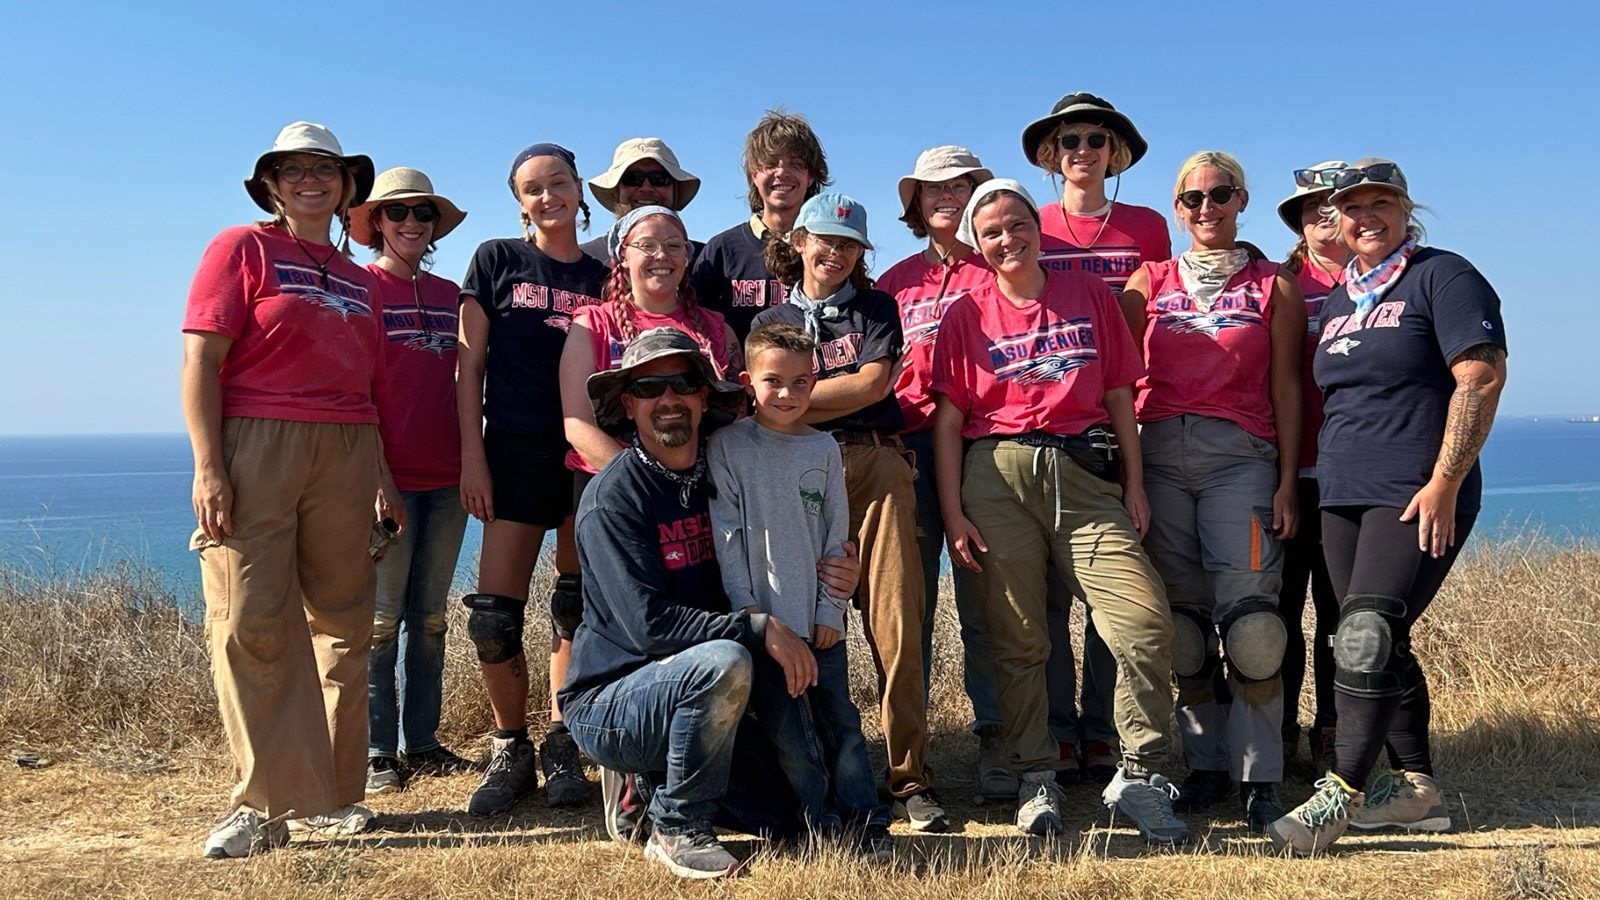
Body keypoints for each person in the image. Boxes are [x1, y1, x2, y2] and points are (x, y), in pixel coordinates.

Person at [931, 179, 1188, 843]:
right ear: (979, 244)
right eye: (991, 232)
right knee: (1019, 638)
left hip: (1083, 474)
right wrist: (954, 510)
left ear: (1035, 226)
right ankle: (1035, 774)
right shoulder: (967, 313)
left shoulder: (1087, 296)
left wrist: (1133, 484)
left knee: (1142, 620)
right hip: (996, 476)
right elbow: (951, 419)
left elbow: (1120, 395)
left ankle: (1140, 772)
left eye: (1016, 224)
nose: (1007, 239)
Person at [560, 328, 861, 879]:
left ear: (705, 396)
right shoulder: (613, 502)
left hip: (714, 685)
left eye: (684, 384)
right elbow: (649, 626)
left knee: (790, 821)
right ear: (628, 405)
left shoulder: (725, 471)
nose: (669, 399)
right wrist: (758, 628)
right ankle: (676, 822)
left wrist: (842, 563)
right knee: (725, 662)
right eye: (651, 387)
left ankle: (660, 786)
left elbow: (794, 532)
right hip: (614, 700)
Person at [1270, 159, 1507, 854]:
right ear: (1336, 219)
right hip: (1340, 492)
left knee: (1366, 636)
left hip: (1415, 489)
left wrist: (1444, 481)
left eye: (1382, 203)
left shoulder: (1442, 274)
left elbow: (1481, 375)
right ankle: (1417, 791)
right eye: (1352, 207)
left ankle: (1337, 795)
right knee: (1370, 638)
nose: (1365, 216)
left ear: (1408, 210)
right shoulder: (1344, 296)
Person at [182, 121, 384, 857]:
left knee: (344, 624)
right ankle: (262, 803)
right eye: (293, 169)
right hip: (258, 439)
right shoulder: (241, 247)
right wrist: (210, 465)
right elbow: (200, 361)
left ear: (345, 186)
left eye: (324, 170)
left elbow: (374, 387)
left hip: (351, 448)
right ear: (271, 183)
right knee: (248, 620)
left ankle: (329, 797)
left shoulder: (359, 278)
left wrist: (381, 480)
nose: (310, 180)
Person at [1118, 151, 1306, 834]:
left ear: (1242, 200)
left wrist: (1286, 479)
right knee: (1187, 634)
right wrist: (1131, 478)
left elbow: (1287, 387)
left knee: (1254, 628)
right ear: (1176, 208)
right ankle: (1203, 768)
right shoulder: (1150, 280)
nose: (1206, 208)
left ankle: (1260, 780)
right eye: (1191, 198)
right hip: (1161, 456)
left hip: (1242, 460)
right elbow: (1116, 379)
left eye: (1219, 195)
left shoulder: (1271, 286)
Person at [751, 193, 947, 833]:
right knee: (800, 620)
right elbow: (765, 400)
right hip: (798, 471)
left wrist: (789, 399)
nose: (834, 253)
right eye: (824, 239)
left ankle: (909, 778)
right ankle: (816, 781)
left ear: (862, 253)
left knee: (896, 622)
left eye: (849, 244)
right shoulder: (774, 318)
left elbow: (871, 385)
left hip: (875, 464)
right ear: (800, 239)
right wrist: (799, 407)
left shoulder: (876, 308)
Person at [1021, 92, 1171, 782]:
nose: (1083, 152)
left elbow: (1161, 314)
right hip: (1055, 423)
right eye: (1070, 141)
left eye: (1096, 140)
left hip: (1127, 415)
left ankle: (1107, 728)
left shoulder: (1146, 226)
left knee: (1117, 582)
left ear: (1116, 154)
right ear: (1053, 155)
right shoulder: (1035, 226)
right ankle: (1057, 730)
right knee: (1050, 589)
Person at [456, 142, 606, 815]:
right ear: (519, 202)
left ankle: (562, 739)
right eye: (533, 189)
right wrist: (471, 456)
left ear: (579, 189)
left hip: (581, 456)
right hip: (511, 449)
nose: (548, 198)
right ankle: (510, 745)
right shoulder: (496, 261)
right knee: (493, 618)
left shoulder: (605, 273)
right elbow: (468, 368)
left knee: (573, 606)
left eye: (558, 184)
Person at [706, 322, 894, 859]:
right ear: (747, 382)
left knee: (842, 724)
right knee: (791, 738)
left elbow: (838, 539)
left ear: (815, 383)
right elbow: (729, 544)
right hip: (766, 629)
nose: (787, 394)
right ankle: (820, 825)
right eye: (773, 381)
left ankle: (866, 820)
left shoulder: (825, 448)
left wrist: (830, 611)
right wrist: (754, 619)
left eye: (800, 382)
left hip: (820, 625)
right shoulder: (727, 447)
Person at [874, 145, 1012, 800]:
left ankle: (996, 738)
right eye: (934, 189)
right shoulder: (893, 283)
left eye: (962, 185)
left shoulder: (999, 269)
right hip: (908, 452)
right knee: (911, 608)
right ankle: (913, 756)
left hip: (983, 449)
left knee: (987, 603)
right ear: (915, 204)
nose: (947, 197)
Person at [348, 167, 474, 794]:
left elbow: (468, 386)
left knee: (429, 619)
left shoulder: (453, 294)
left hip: (448, 480)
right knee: (379, 622)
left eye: (422, 215)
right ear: (376, 224)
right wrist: (378, 480)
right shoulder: (361, 287)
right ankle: (377, 752)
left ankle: (422, 743)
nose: (411, 225)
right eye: (397, 214)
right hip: (388, 482)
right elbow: (357, 396)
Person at [1274, 160, 1350, 775]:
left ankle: (1333, 727)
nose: (1323, 216)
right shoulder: (1280, 284)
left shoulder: (1384, 283)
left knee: (1337, 613)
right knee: (1273, 609)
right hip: (1278, 474)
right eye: (1309, 208)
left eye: (1333, 204)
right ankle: (1276, 729)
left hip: (1350, 477)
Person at [692, 109, 831, 339]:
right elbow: (694, 321)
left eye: (796, 164)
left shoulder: (830, 249)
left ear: (811, 176)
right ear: (753, 174)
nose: (782, 173)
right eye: (770, 164)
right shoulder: (721, 251)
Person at [581, 138, 703, 264]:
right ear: (617, 191)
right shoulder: (585, 261)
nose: (646, 188)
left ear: (675, 191)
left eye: (659, 179)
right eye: (633, 178)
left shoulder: (708, 262)